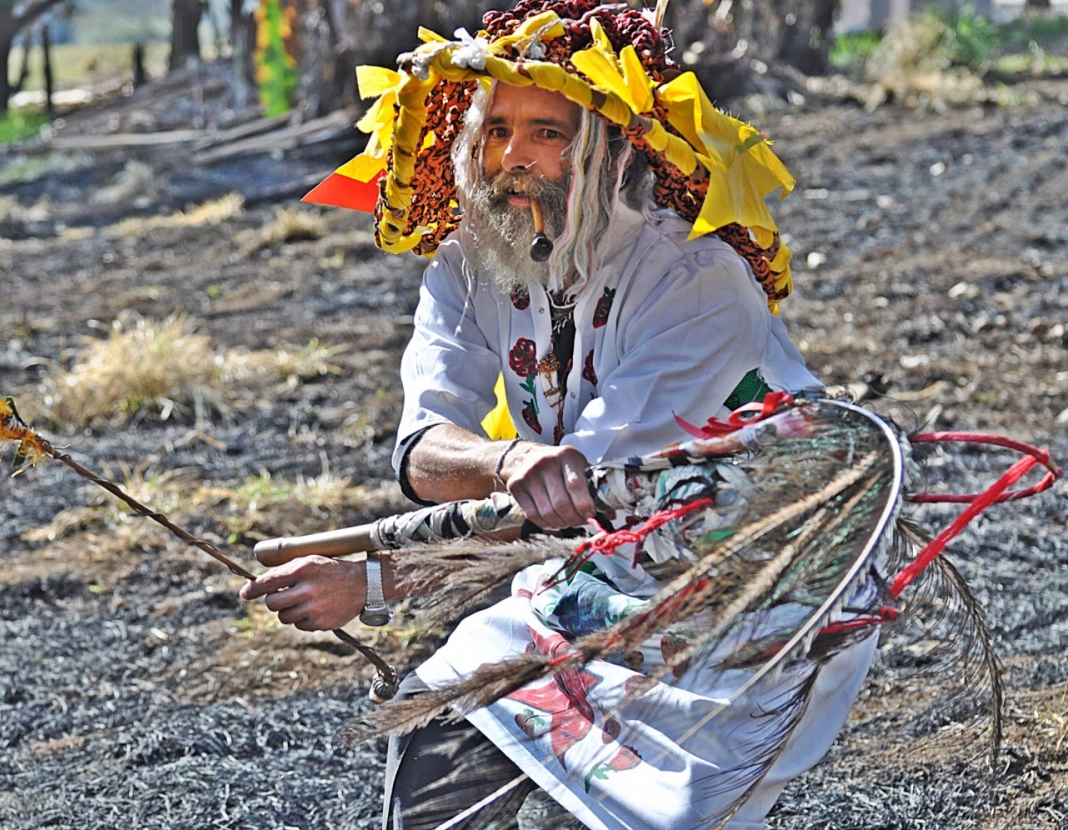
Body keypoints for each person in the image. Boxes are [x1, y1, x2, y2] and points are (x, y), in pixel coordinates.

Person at [241, 2, 879, 827]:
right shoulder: (468, 263)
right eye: (495, 129)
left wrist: (370, 581)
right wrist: (506, 462)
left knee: (642, 812)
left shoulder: (695, 282)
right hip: (597, 563)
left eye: (547, 132)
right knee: (441, 722)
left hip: (747, 585)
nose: (512, 158)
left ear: (610, 152)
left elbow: (583, 501)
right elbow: (426, 451)